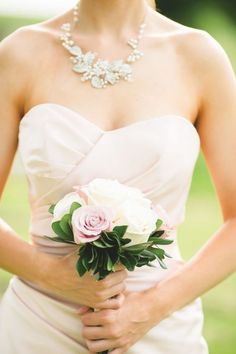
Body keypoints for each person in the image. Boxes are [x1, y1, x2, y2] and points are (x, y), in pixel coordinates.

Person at [0, 0, 235, 353]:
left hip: (160, 326)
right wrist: (54, 276)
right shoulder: (20, 52)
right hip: (38, 324)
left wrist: (150, 308)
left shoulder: (199, 56)